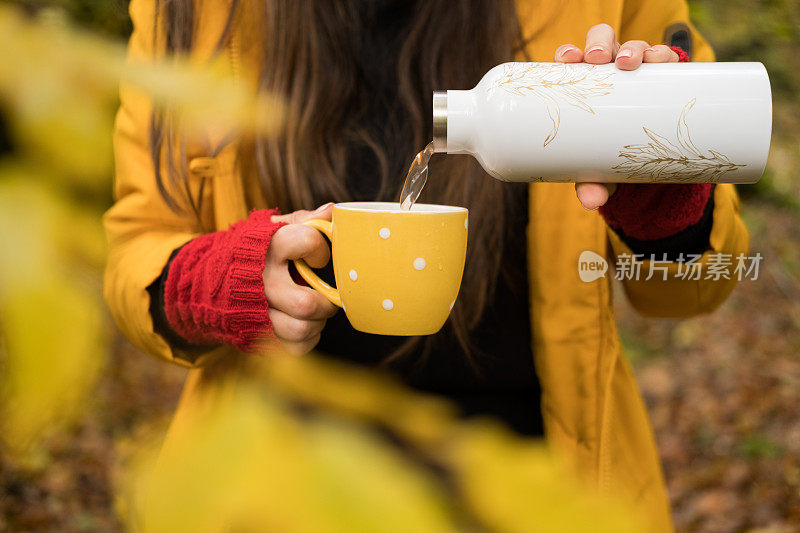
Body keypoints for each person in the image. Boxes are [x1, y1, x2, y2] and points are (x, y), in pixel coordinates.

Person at [104, 1, 748, 530]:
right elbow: (138, 251)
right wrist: (222, 280)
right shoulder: (195, 13)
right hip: (272, 486)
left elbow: (686, 294)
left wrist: (662, 198)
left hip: (532, 485)